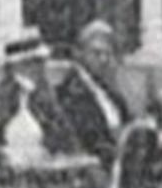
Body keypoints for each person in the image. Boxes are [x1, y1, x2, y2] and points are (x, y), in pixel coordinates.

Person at [0, 28, 79, 165]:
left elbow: (66, 140)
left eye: (40, 62)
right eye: (33, 62)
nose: (39, 68)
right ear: (15, 66)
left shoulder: (48, 100)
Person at [57, 19, 135, 166]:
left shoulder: (112, 94)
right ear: (79, 54)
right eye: (96, 53)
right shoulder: (69, 94)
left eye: (108, 54)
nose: (104, 59)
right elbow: (86, 140)